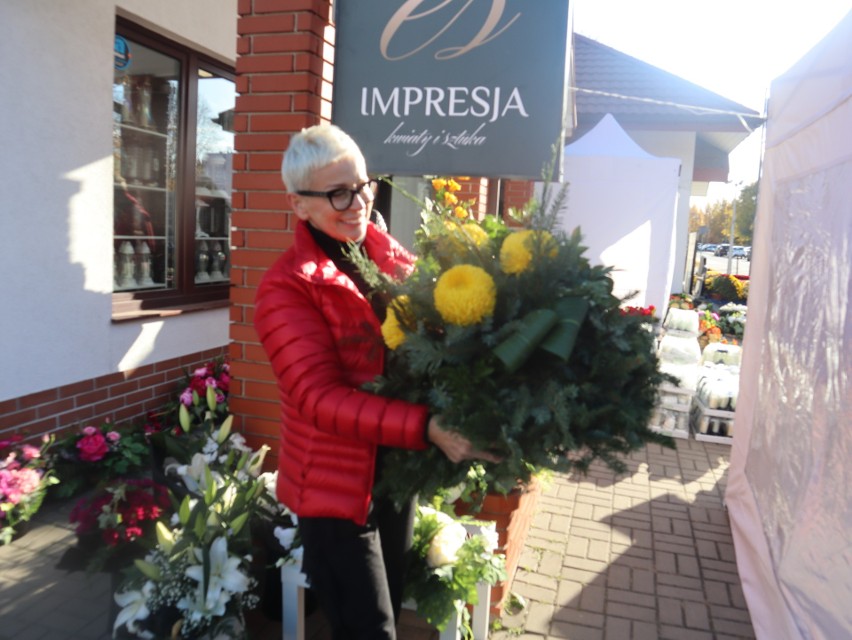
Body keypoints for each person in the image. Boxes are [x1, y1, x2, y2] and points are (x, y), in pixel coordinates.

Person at [254, 123, 499, 639]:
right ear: (299, 205)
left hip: (392, 479)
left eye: (363, 185)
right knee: (371, 629)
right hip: (335, 491)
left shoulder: (394, 261)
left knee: (383, 605)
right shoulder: (286, 289)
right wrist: (426, 426)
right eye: (338, 193)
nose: (357, 202)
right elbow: (320, 399)